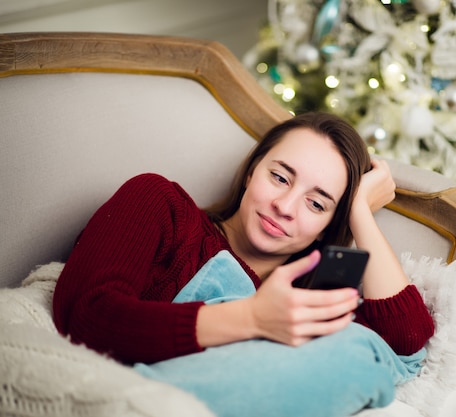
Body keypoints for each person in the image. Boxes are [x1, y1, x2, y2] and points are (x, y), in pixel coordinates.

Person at [52, 112, 434, 417]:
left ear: (327, 226)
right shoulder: (162, 206)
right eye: (280, 177)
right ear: (253, 170)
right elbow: (84, 315)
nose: (284, 207)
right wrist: (252, 318)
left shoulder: (307, 299)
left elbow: (406, 342)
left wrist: (359, 213)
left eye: (317, 204)